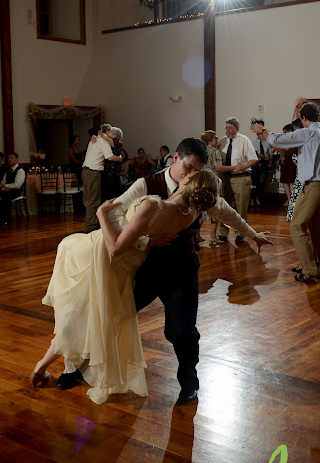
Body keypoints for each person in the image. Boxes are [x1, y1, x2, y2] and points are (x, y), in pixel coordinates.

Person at [76, 137, 271, 403]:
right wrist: (145, 241)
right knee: (110, 313)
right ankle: (80, 365)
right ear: (176, 158)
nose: (191, 175)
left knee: (181, 330)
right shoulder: (146, 185)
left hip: (182, 268)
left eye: (197, 171)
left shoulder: (200, 190)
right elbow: (114, 215)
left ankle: (189, 380)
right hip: (145, 266)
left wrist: (253, 235)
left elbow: (228, 214)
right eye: (189, 168)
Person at [30, 170, 221, 405]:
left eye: (193, 170)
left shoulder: (159, 204)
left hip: (110, 256)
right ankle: (71, 367)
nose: (187, 172)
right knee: (91, 314)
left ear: (189, 182)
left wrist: (100, 213)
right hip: (126, 264)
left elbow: (115, 245)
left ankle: (50, 366)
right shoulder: (185, 207)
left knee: (86, 312)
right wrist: (146, 241)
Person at [254, 102, 320, 283]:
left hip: (313, 185)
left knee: (297, 226)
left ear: (303, 118)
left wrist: (262, 130)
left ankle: (310, 269)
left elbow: (276, 140)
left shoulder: (307, 132)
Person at [216, 117, 258, 243]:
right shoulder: (222, 141)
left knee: (241, 208)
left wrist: (245, 166)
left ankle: (240, 233)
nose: (228, 130)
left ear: (237, 129)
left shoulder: (244, 140)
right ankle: (223, 232)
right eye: (226, 128)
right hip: (225, 178)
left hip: (240, 178)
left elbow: (254, 159)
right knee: (224, 207)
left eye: (230, 128)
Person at [83, 124, 123, 233]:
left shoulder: (111, 141)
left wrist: (99, 134)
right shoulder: (102, 140)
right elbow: (109, 157)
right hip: (99, 174)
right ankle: (92, 227)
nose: (109, 133)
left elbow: (109, 153)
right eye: (109, 131)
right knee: (95, 201)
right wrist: (119, 158)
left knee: (98, 200)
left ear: (114, 135)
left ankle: (99, 225)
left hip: (108, 176)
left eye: (111, 132)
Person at [0, 152, 26, 225]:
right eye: (8, 158)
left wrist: (6, 186)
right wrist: (2, 187)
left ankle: (5, 220)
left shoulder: (20, 170)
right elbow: (3, 182)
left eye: (12, 158)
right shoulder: (7, 170)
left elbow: (17, 185)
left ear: (16, 159)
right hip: (7, 189)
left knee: (3, 198)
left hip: (15, 191)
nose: (9, 159)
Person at [200, 130, 223, 245]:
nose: (217, 140)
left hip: (202, 182)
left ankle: (196, 234)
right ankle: (213, 236)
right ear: (210, 140)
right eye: (215, 138)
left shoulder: (201, 152)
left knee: (201, 209)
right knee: (214, 209)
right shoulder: (215, 152)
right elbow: (218, 168)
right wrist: (234, 167)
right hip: (213, 183)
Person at [250, 119, 273, 207]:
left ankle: (259, 198)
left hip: (265, 163)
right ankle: (253, 198)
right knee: (255, 181)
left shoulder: (267, 143)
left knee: (262, 182)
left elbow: (270, 155)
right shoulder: (253, 144)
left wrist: (270, 163)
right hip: (256, 164)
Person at [279, 124, 297, 207]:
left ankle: (293, 200)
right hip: (285, 160)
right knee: (284, 180)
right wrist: (281, 157)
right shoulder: (285, 139)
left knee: (291, 180)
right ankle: (289, 199)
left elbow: (289, 149)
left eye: (285, 132)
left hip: (291, 159)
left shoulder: (294, 138)